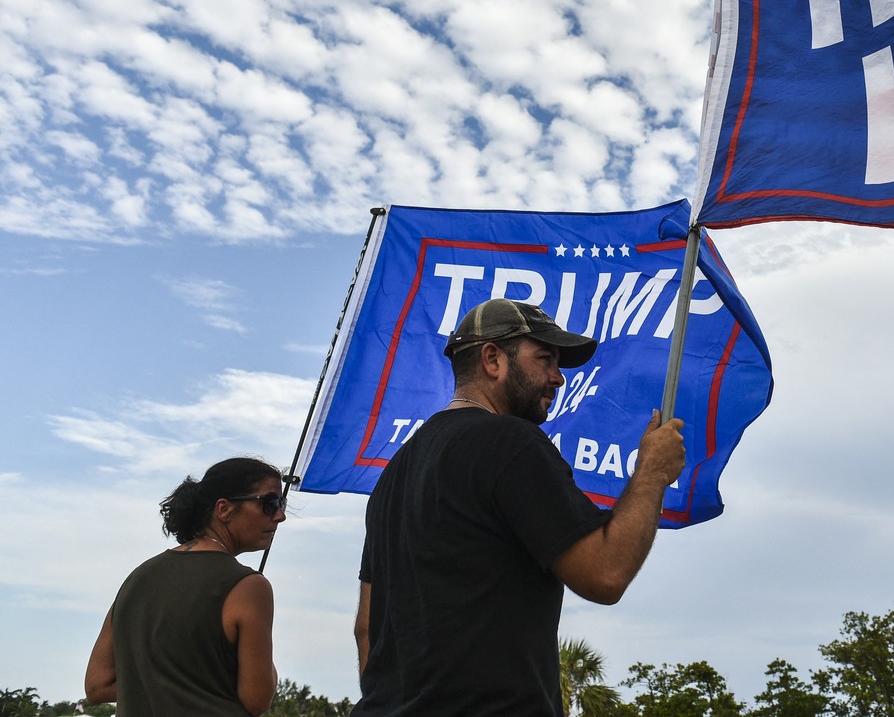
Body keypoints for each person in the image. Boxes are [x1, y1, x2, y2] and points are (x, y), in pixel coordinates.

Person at [353, 298, 687, 716]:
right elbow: (605, 574)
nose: (558, 378)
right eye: (545, 359)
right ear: (493, 359)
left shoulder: (394, 473)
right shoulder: (510, 442)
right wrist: (652, 473)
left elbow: (366, 628)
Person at [84, 457, 288, 716]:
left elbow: (97, 685)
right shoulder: (249, 587)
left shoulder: (138, 578)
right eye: (270, 503)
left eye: (281, 504)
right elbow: (257, 699)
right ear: (224, 509)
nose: (280, 516)